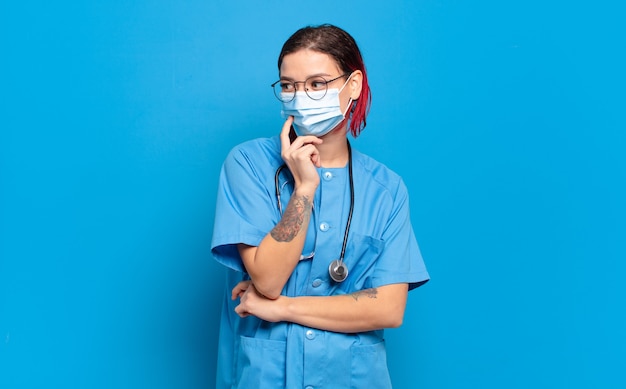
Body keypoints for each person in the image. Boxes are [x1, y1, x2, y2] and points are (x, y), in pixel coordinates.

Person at [211, 24, 429, 388]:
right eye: (289, 86)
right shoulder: (247, 164)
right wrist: (304, 188)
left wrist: (283, 308)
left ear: (353, 85)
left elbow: (388, 308)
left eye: (317, 83)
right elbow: (267, 279)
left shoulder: (386, 189)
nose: (300, 97)